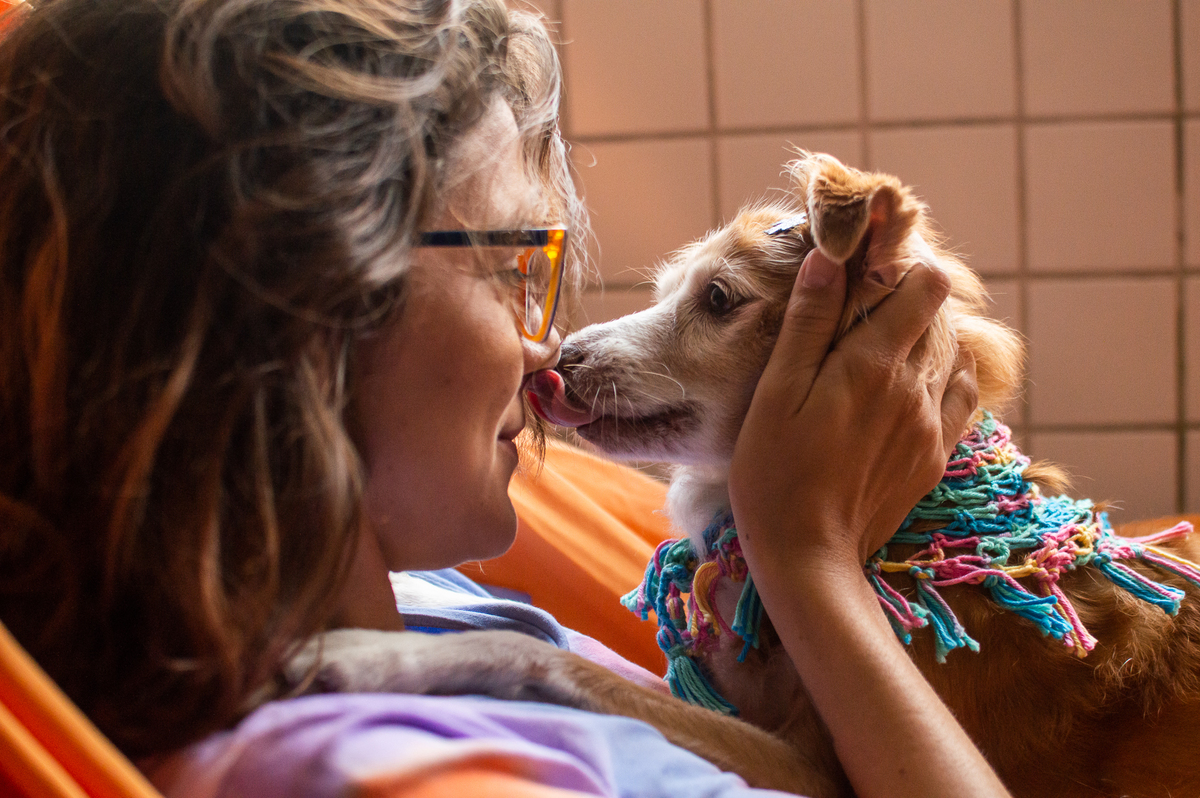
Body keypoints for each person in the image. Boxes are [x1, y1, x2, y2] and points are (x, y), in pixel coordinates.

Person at [0, 1, 1005, 796]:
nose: (548, 348)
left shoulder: (427, 608)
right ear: (305, 310)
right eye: (514, 268)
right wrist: (809, 558)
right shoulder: (368, 767)